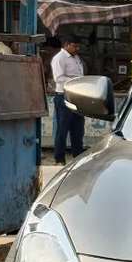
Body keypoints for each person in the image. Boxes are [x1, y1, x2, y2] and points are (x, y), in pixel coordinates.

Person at [50, 35, 85, 165]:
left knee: (78, 129)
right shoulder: (59, 58)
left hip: (77, 96)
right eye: (75, 46)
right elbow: (58, 78)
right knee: (62, 129)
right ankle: (59, 159)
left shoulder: (76, 58)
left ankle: (78, 157)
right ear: (67, 44)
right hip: (64, 96)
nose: (77, 49)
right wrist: (77, 81)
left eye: (78, 46)